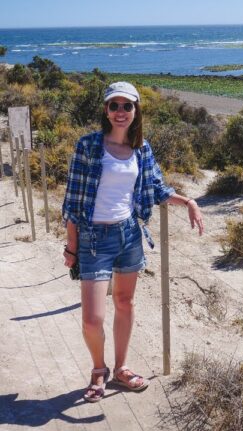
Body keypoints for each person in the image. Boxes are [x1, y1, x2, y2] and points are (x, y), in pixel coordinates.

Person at [62, 82, 204, 402]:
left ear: (137, 110)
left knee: (124, 303)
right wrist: (71, 247)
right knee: (92, 318)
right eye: (115, 106)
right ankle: (99, 371)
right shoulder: (88, 146)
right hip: (93, 239)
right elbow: (71, 204)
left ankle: (121, 367)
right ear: (106, 110)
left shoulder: (142, 149)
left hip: (128, 235)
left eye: (128, 106)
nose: (121, 112)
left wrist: (189, 202)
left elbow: (157, 189)